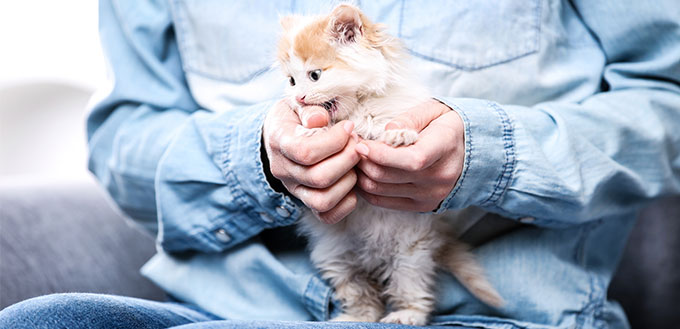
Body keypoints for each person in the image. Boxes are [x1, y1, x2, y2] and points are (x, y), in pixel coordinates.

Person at [1, 0, 679, 328]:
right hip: (233, 313)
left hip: (496, 316)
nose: (300, 94)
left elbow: (667, 101)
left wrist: (486, 154)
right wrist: (255, 160)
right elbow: (121, 140)